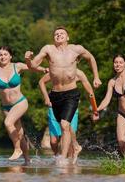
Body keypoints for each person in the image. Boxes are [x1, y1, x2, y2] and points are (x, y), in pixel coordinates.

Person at [25, 26, 101, 164]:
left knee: (65, 125)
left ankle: (63, 160)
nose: (58, 35)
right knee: (63, 127)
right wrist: (28, 60)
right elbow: (33, 66)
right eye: (56, 34)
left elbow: (91, 58)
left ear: (68, 37)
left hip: (71, 94)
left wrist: (96, 77)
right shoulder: (48, 49)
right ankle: (73, 148)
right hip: (55, 95)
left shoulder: (76, 49)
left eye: (62, 33)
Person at [0, 46, 46, 165]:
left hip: (20, 102)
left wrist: (45, 70)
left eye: (5, 54)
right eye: (0, 55)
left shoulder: (17, 66)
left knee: (8, 123)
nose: (2, 57)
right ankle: (27, 160)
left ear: (10, 56)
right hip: (7, 107)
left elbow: (33, 67)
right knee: (20, 133)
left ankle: (17, 149)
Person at [39, 69, 95, 164]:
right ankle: (58, 157)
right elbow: (41, 81)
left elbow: (90, 92)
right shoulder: (56, 69)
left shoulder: (79, 73)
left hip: (70, 105)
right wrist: (46, 97)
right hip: (55, 104)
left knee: (66, 127)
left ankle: (67, 162)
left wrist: (95, 109)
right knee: (53, 141)